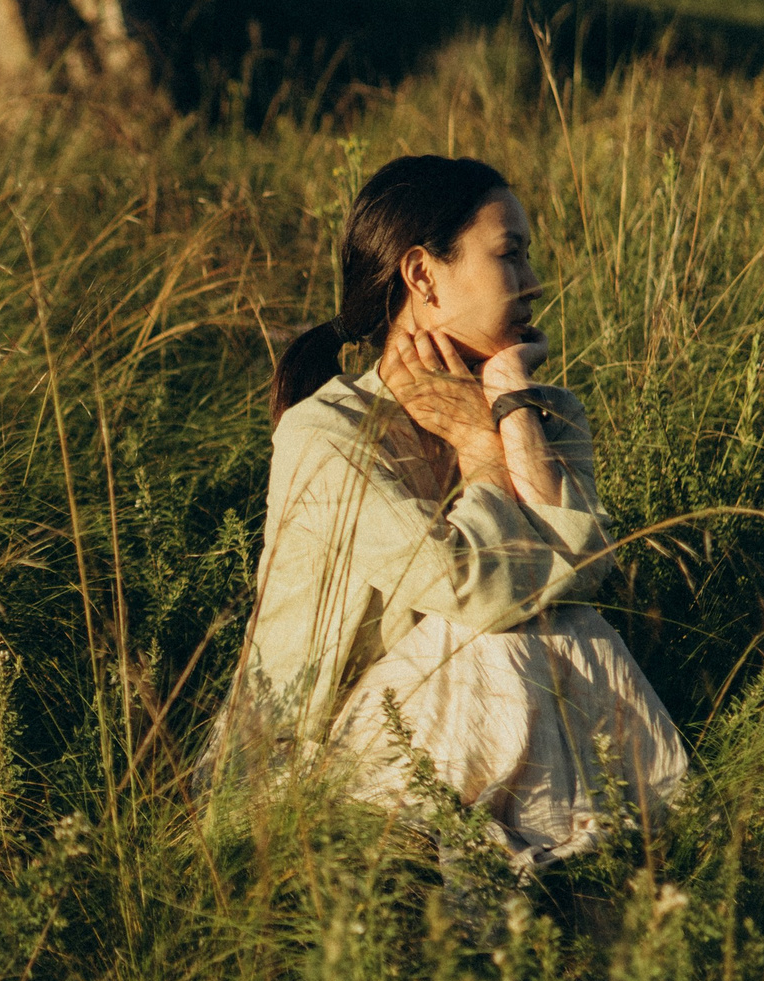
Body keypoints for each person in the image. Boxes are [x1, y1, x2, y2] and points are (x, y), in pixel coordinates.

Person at [204, 154, 685, 871]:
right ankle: (571, 866)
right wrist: (481, 450)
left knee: (569, 624)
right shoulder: (326, 433)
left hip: (455, 725)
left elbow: (587, 569)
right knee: (501, 636)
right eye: (510, 255)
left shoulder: (546, 409)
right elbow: (477, 594)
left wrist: (509, 403)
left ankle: (599, 865)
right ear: (422, 275)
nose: (533, 281)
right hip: (311, 763)